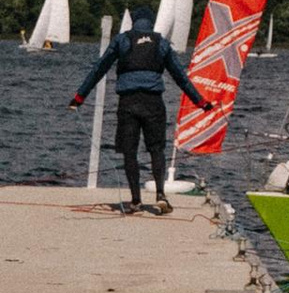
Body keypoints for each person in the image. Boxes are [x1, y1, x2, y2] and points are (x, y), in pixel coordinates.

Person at [70, 13, 215, 216]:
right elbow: (181, 77)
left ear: (133, 24)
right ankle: (161, 196)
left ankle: (136, 200)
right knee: (156, 150)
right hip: (153, 103)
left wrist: (79, 97)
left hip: (128, 103)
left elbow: (99, 68)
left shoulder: (122, 40)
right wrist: (201, 103)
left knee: (130, 152)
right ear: (152, 24)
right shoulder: (161, 43)